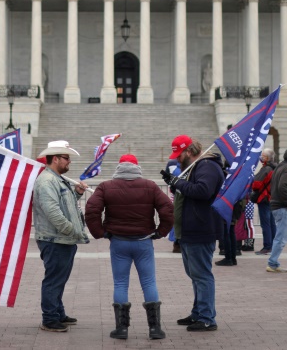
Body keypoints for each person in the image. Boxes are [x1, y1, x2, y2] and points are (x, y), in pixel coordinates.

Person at [85, 153, 174, 341]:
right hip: (143, 241)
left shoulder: (106, 186)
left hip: (119, 241)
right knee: (149, 282)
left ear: (118, 168)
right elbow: (168, 208)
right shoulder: (150, 186)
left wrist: (100, 232)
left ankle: (122, 329)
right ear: (137, 167)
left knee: (120, 283)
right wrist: (161, 231)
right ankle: (155, 329)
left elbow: (92, 209)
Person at [160, 138, 225, 332]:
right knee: (195, 274)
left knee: (201, 275)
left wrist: (177, 182)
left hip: (200, 228)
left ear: (188, 152)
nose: (177, 159)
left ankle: (206, 317)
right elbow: (188, 191)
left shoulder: (207, 166)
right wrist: (175, 184)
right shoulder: (195, 167)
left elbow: (203, 191)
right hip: (191, 228)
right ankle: (199, 312)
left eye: (179, 155)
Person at [32, 140, 89, 333]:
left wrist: (77, 194)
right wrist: (72, 230)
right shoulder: (47, 181)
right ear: (55, 159)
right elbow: (53, 213)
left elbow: (64, 205)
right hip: (55, 239)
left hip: (61, 238)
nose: (69, 161)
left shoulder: (56, 179)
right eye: (66, 158)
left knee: (59, 279)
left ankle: (57, 312)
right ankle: (49, 318)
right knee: (54, 280)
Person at [250, 148, 276, 255]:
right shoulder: (274, 168)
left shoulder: (266, 169)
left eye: (263, 155)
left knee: (266, 224)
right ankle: (273, 245)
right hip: (271, 198)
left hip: (264, 198)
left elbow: (256, 184)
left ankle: (267, 246)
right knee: (271, 223)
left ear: (267, 158)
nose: (261, 157)